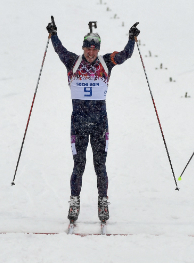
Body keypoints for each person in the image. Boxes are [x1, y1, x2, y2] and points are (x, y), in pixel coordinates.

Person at [46, 20, 140, 224]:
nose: (90, 52)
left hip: (100, 125)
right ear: (83, 48)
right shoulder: (73, 62)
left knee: (100, 166)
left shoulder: (106, 62)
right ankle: (74, 200)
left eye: (94, 48)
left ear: (98, 49)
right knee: (78, 165)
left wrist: (132, 39)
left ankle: (103, 201)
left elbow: (125, 55)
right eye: (88, 48)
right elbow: (58, 49)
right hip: (78, 125)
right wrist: (53, 33)